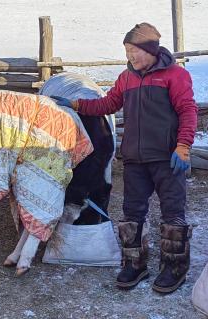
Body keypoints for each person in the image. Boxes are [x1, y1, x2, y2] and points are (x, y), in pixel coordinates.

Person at [53, 22, 198, 293]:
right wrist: (75, 104)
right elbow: (107, 104)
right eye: (127, 51)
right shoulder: (127, 78)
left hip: (167, 158)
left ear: (150, 49)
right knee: (132, 213)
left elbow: (188, 110)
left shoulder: (174, 75)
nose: (131, 56)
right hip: (134, 159)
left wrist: (183, 146)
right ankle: (134, 263)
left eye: (135, 50)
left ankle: (174, 267)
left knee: (173, 214)